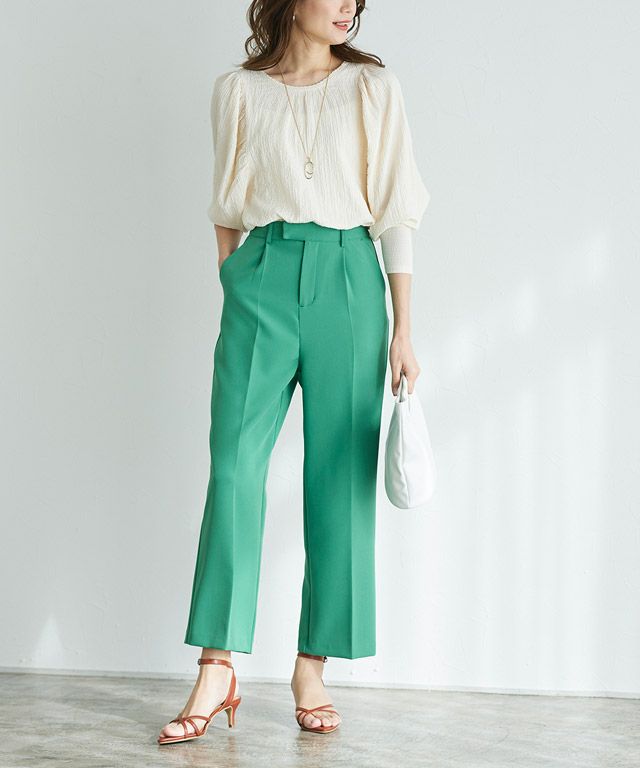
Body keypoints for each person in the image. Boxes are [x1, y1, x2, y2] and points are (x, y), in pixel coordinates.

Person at [158, 0, 429, 744]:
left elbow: (395, 208)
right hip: (264, 274)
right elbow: (226, 201)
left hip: (351, 278)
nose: (347, 6)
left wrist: (404, 327)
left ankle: (313, 666)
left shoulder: (373, 87)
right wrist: (236, 280)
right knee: (233, 468)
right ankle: (217, 666)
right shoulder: (238, 90)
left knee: (339, 476)